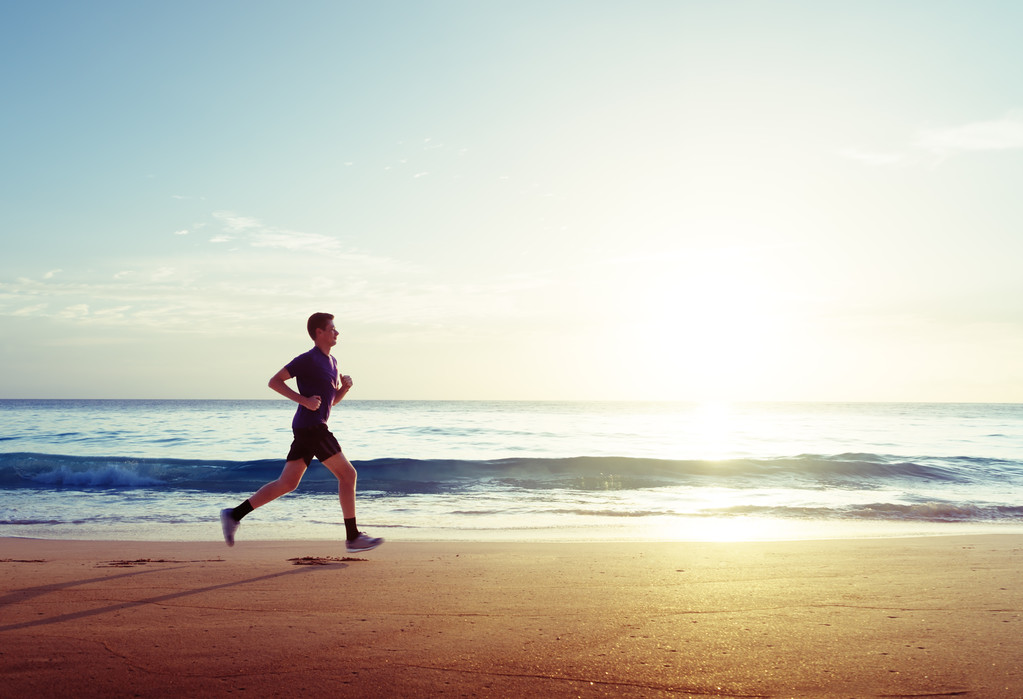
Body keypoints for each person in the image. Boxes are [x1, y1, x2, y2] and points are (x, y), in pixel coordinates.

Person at [220, 312, 383, 553]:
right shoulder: (307, 359)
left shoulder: (333, 362)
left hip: (308, 426)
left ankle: (234, 514)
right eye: (332, 329)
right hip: (312, 427)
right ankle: (353, 537)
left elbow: (330, 403)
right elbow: (274, 382)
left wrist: (345, 389)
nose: (337, 333)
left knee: (287, 483)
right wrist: (303, 400)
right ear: (319, 332)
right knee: (348, 475)